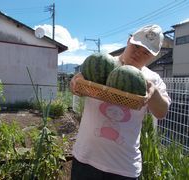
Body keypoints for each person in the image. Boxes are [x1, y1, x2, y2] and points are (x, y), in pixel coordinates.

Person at [69, 24, 171, 180]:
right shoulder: (103, 64)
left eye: (146, 52)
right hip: (85, 159)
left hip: (124, 168)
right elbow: (77, 88)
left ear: (153, 56)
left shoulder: (153, 79)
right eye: (136, 46)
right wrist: (76, 83)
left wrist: (153, 92)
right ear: (129, 40)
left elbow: (162, 112)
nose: (138, 54)